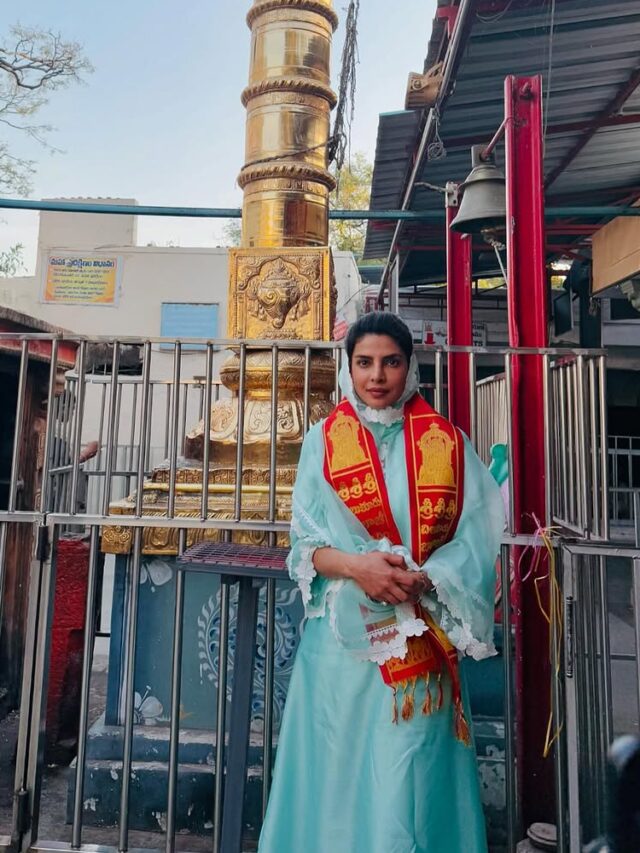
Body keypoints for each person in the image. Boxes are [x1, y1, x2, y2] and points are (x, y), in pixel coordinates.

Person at [258, 312, 505, 853]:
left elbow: (477, 539)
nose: (377, 376)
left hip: (419, 644)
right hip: (342, 652)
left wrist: (428, 578)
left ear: (409, 366)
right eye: (364, 362)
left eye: (390, 362)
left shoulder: (446, 442)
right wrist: (358, 567)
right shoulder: (324, 441)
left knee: (409, 773)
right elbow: (304, 546)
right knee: (339, 778)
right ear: (349, 369)